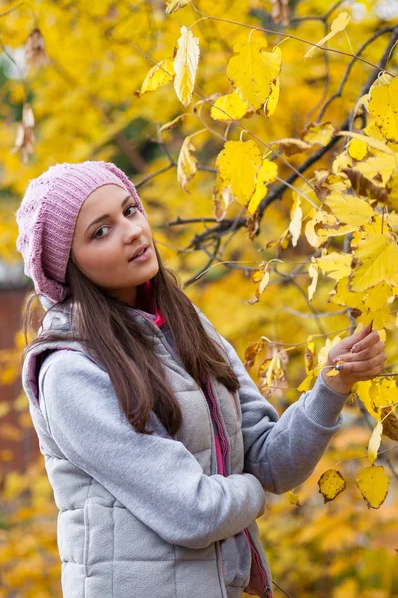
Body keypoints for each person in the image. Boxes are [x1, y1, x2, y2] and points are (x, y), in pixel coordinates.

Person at [15, 160, 386, 598]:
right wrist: (252, 491)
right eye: (101, 231)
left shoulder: (186, 325)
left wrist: (331, 386)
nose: (132, 231)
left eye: (130, 210)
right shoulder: (71, 371)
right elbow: (193, 511)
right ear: (67, 265)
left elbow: (271, 462)